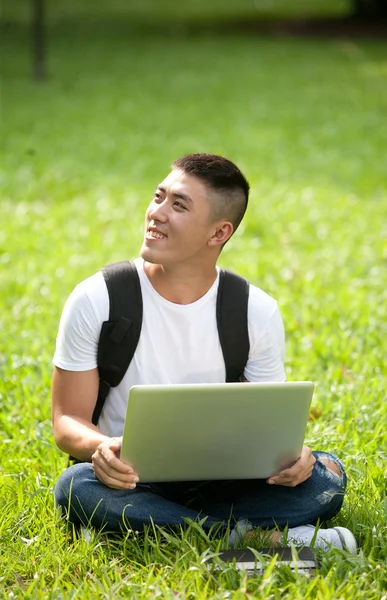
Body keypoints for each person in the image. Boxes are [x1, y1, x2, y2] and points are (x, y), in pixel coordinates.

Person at [52, 153, 356, 552]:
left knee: (327, 476)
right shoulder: (98, 297)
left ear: (218, 233)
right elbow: (67, 420)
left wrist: (293, 455)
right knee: (76, 488)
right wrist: (100, 448)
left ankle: (181, 528)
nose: (156, 213)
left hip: (225, 475)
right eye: (159, 196)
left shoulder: (254, 310)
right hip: (129, 476)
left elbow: (269, 425)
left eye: (178, 205)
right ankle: (252, 536)